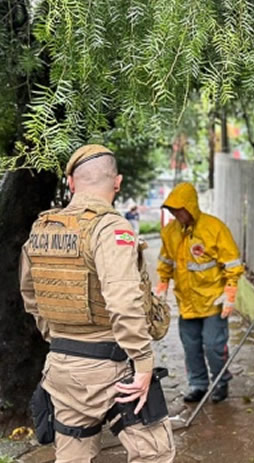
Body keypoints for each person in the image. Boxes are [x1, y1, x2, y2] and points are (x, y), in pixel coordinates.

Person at [20, 144, 175, 463]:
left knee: (72, 456)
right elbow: (124, 302)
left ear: (71, 183)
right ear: (117, 182)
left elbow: (30, 295)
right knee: (154, 453)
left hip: (61, 366)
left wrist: (59, 338)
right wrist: (143, 364)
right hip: (111, 366)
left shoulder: (41, 229)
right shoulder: (110, 228)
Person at [155, 182, 244, 403]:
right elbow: (166, 261)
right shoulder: (170, 232)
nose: (176, 215)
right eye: (173, 210)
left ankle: (221, 381)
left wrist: (230, 292)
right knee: (191, 346)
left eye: (179, 210)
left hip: (213, 300)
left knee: (214, 346)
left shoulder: (214, 229)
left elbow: (232, 263)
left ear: (190, 207)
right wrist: (162, 284)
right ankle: (198, 384)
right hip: (186, 302)